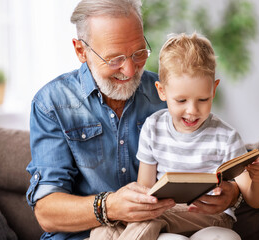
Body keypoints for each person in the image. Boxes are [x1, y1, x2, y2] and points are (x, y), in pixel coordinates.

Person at [26, 1, 244, 239]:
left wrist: (232, 193)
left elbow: (214, 154)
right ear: (81, 50)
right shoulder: (52, 103)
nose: (130, 71)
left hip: (159, 228)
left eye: (139, 53)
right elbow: (46, 212)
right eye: (114, 59)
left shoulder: (169, 95)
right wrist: (108, 207)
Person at [90, 33, 259, 240]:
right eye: (181, 100)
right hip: (165, 218)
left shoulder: (225, 136)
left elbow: (255, 200)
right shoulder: (153, 128)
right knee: (145, 222)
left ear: (214, 90)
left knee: (142, 222)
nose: (192, 111)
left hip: (211, 217)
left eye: (202, 99)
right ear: (162, 91)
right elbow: (146, 189)